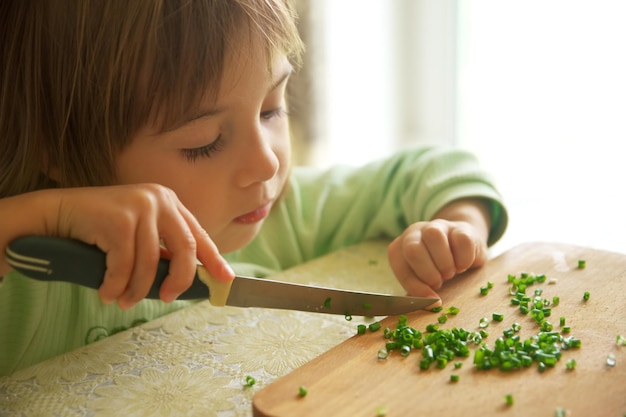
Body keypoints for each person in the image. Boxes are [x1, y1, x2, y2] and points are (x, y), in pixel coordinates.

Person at [0, 0, 507, 376]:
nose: (266, 163)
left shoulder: (286, 213)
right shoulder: (30, 279)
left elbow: (430, 166)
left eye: (270, 108)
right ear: (56, 150)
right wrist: (48, 215)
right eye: (203, 142)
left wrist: (458, 222)